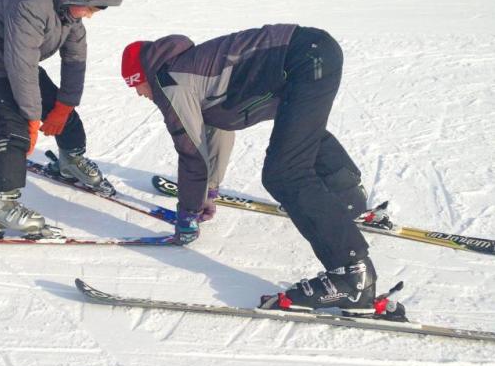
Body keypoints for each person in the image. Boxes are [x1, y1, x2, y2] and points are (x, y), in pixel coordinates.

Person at [121, 24, 378, 314]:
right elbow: (217, 130)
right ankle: (349, 200)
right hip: (316, 50)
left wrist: (188, 214)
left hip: (303, 58)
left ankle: (352, 274)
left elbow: (191, 154)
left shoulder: (171, 81)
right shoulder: (192, 69)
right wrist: (210, 189)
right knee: (301, 135)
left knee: (285, 172)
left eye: (135, 85)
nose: (139, 94)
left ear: (141, 76)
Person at [0, 0, 122, 235]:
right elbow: (20, 65)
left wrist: (64, 106)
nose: (91, 15)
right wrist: (32, 119)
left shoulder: (70, 14)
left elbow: (75, 61)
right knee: (16, 128)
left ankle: (70, 160)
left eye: (97, 9)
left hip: (19, 56)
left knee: (60, 105)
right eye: (91, 7)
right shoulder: (32, 5)